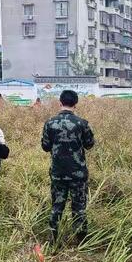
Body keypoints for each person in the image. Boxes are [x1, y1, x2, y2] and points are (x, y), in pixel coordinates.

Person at [41, 90, 95, 242]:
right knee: (79, 208)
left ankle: (53, 238)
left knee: (57, 206)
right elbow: (89, 144)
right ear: (75, 104)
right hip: (77, 173)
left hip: (58, 172)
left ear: (60, 102)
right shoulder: (82, 123)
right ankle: (81, 241)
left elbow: (45, 146)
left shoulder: (50, 123)